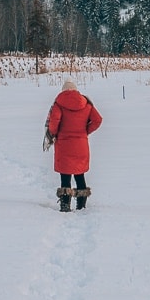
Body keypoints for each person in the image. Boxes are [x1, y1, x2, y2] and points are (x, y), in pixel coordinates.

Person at [44, 78, 103, 211]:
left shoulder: (58, 104)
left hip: (64, 145)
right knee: (80, 174)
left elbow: (54, 123)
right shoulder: (86, 104)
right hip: (81, 145)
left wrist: (53, 134)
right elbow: (97, 120)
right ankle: (81, 205)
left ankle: (65, 205)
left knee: (65, 176)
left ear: (63, 91)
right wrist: (85, 131)